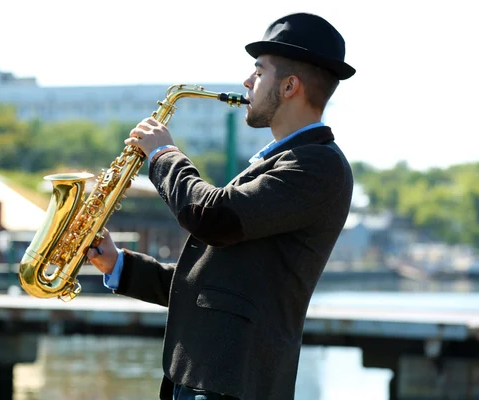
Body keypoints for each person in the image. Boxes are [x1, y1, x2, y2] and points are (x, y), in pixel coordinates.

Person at [87, 12, 356, 400]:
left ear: (290, 86)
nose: (246, 82)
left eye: (259, 73)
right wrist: (118, 264)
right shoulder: (281, 163)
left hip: (230, 387)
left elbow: (212, 217)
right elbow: (210, 288)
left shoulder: (318, 165)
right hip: (208, 384)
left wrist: (163, 154)